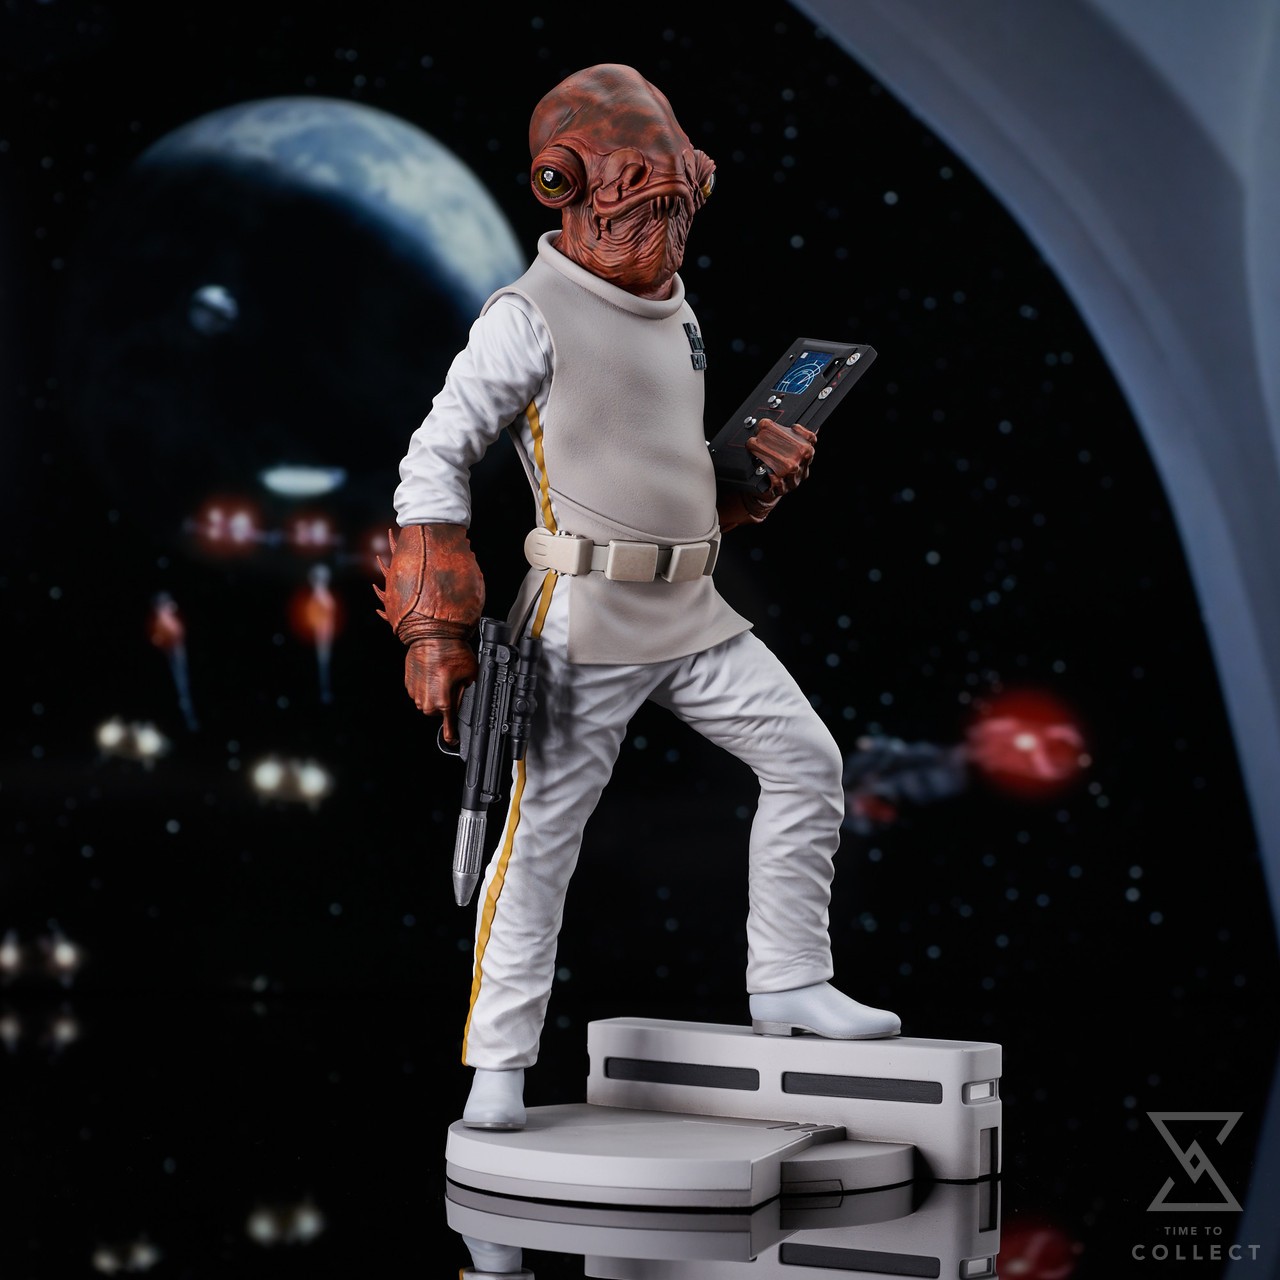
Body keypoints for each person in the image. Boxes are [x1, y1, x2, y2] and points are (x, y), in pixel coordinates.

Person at [376, 63, 899, 1132]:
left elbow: (658, 461)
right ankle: (498, 1066)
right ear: (565, 188)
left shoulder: (677, 309)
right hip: (584, 616)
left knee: (807, 763)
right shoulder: (526, 316)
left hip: (692, 609)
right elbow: (434, 456)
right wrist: (434, 624)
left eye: (674, 205)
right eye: (637, 206)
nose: (658, 230)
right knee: (541, 840)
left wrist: (743, 483)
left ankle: (789, 978)